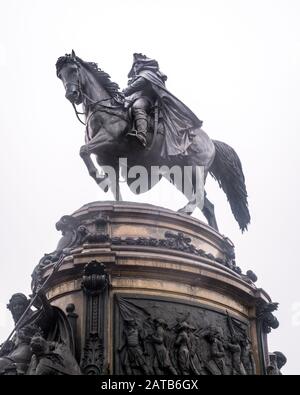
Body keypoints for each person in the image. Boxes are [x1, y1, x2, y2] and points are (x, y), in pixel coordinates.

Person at [123, 53, 203, 156]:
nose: (135, 67)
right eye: (134, 65)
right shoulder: (139, 76)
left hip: (148, 100)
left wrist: (124, 92)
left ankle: (141, 135)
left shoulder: (146, 74)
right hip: (134, 98)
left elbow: (136, 86)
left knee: (138, 107)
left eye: (137, 64)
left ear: (143, 65)